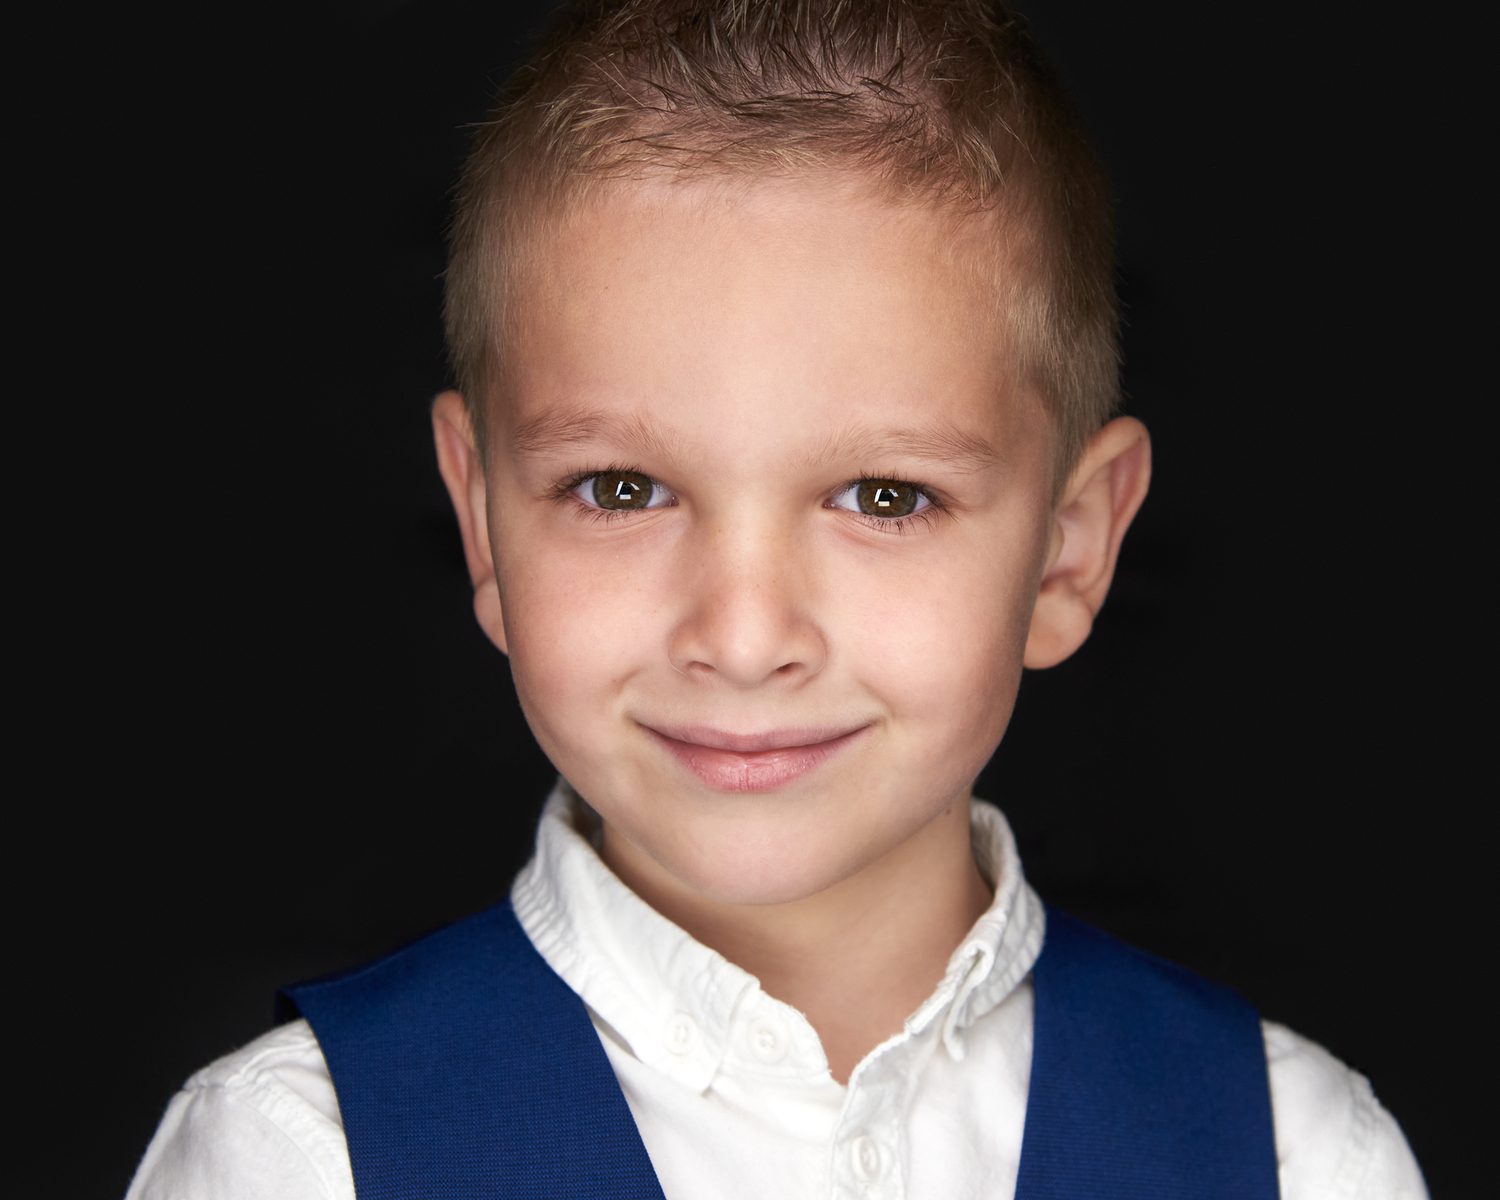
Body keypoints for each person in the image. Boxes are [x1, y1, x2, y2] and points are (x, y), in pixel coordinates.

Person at [127, 1, 1427, 1196]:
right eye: (623, 490)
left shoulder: (1299, 1156)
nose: (744, 640)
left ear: (1068, 550)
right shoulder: (299, 1159)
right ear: (481, 521)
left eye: (884, 497)